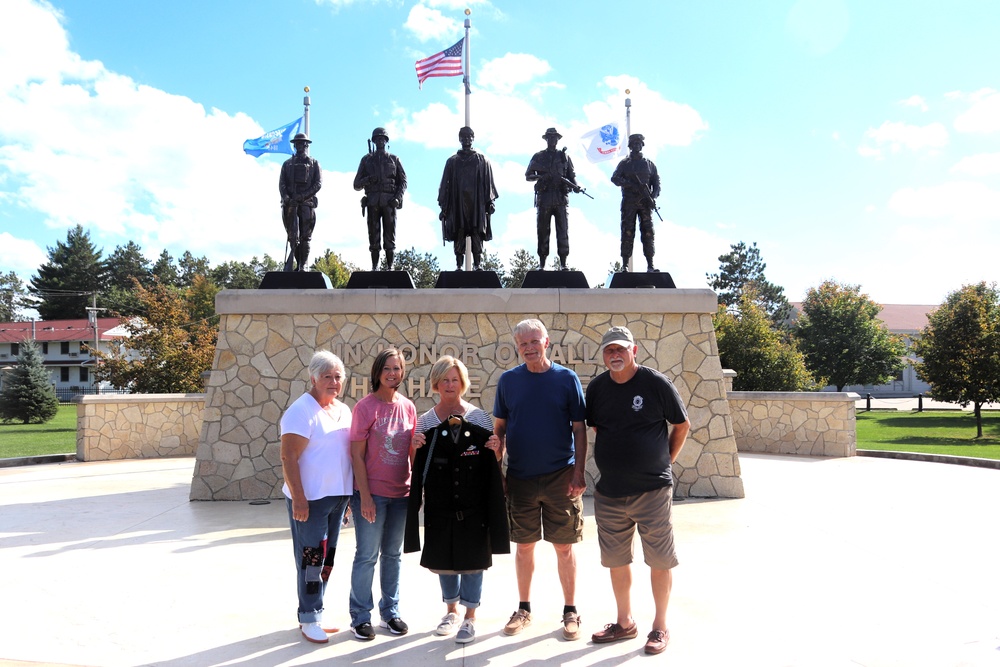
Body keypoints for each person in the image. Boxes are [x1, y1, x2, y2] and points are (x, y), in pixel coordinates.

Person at [584, 325, 691, 656]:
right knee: (617, 560)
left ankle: (660, 626)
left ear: (635, 350)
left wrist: (664, 462)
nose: (615, 354)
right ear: (604, 356)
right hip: (609, 492)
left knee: (659, 559)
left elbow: (682, 424)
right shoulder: (598, 388)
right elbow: (598, 427)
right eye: (609, 350)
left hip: (652, 491)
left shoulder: (656, 383)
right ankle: (624, 622)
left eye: (621, 349)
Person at [492, 318, 588, 641]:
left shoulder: (566, 379)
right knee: (524, 547)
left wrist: (579, 471)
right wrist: (499, 471)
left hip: (561, 476)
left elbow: (579, 428)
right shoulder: (508, 382)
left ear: (547, 342)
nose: (530, 348)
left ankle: (570, 611)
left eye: (535, 342)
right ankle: (524, 609)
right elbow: (500, 429)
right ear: (517, 347)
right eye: (523, 344)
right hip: (520, 477)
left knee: (564, 546)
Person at [405, 356, 509, 645]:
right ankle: (450, 611)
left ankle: (470, 617)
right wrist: (414, 448)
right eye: (444, 380)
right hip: (440, 505)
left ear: (463, 383)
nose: (450, 385)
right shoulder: (425, 421)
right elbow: (418, 466)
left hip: (473, 505)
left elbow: (493, 460)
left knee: (474, 561)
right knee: (445, 560)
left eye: (455, 379)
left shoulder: (478, 418)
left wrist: (497, 449)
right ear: (436, 384)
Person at [348, 348, 422, 641]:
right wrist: (364, 496)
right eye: (388, 369)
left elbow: (412, 453)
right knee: (367, 556)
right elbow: (356, 455)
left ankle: (390, 613)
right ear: (378, 371)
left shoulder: (408, 406)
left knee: (393, 555)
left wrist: (417, 490)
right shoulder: (365, 408)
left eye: (398, 369)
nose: (393, 374)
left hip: (401, 494)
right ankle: (360, 617)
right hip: (372, 494)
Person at [279, 351, 353, 644]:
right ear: (313, 378)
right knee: (311, 559)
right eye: (327, 376)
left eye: (338, 377)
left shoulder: (343, 410)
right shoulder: (301, 411)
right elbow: (288, 457)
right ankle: (308, 616)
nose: (333, 382)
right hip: (310, 501)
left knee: (326, 559)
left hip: (338, 499)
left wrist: (348, 501)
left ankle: (316, 612)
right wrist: (299, 498)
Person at [438, 126, 498, 271]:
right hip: (458, 204)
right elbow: (444, 185)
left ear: (473, 139)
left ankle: (478, 264)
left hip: (476, 204)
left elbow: (488, 183)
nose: (466, 139)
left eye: (469, 137)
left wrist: (490, 202)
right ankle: (459, 265)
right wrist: (444, 208)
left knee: (477, 234)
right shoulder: (452, 162)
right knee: (459, 233)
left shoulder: (482, 160)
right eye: (463, 137)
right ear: (459, 139)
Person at [525, 127, 581, 271]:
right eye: (550, 137)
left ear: (558, 139)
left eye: (555, 137)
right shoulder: (538, 156)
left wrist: (576, 186)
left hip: (560, 198)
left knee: (563, 231)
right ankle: (542, 263)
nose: (552, 140)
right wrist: (541, 177)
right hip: (544, 197)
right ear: (546, 139)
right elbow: (528, 175)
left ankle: (563, 263)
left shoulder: (564, 157)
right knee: (543, 231)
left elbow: (572, 176)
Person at [353, 127, 407, 271]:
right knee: (373, 235)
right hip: (372, 201)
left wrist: (397, 197)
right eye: (377, 139)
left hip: (389, 202)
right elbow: (356, 184)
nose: (380, 141)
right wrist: (369, 179)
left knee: (390, 236)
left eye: (382, 139)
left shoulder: (394, 159)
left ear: (386, 141)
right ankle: (375, 266)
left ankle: (390, 266)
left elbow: (403, 181)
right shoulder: (366, 160)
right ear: (374, 141)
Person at [610, 134, 660, 273]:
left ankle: (650, 265)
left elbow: (656, 183)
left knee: (648, 233)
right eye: (634, 143)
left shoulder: (650, 164)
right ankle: (625, 264)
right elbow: (614, 178)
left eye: (639, 143)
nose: (636, 146)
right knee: (627, 232)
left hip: (645, 203)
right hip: (629, 203)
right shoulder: (625, 164)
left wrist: (653, 197)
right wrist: (630, 185)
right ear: (630, 146)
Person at [279, 133, 323, 272]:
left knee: (306, 236)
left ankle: (303, 265)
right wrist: (286, 198)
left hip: (306, 204)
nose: (300, 146)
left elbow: (318, 183)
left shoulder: (314, 163)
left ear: (306, 145)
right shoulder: (287, 164)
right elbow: (282, 184)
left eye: (302, 143)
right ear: (294, 145)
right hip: (290, 204)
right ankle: (296, 262)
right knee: (292, 236)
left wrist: (303, 196)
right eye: (297, 143)